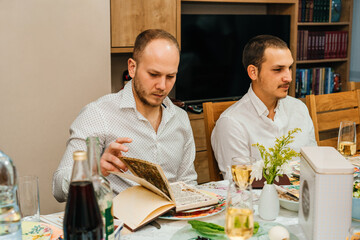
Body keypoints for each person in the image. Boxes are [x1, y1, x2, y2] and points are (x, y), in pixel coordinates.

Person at [53, 29, 197, 202]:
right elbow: (58, 187)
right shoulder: (98, 114)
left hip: (170, 222)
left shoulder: (180, 119)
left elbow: (188, 183)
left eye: (170, 77)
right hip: (118, 224)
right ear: (132, 67)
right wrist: (94, 171)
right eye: (153, 74)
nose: (162, 85)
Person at [211, 35, 317, 178]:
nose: (289, 78)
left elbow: (314, 163)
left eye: (289, 68)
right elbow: (240, 184)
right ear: (253, 72)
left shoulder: (299, 108)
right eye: (278, 69)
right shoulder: (231, 123)